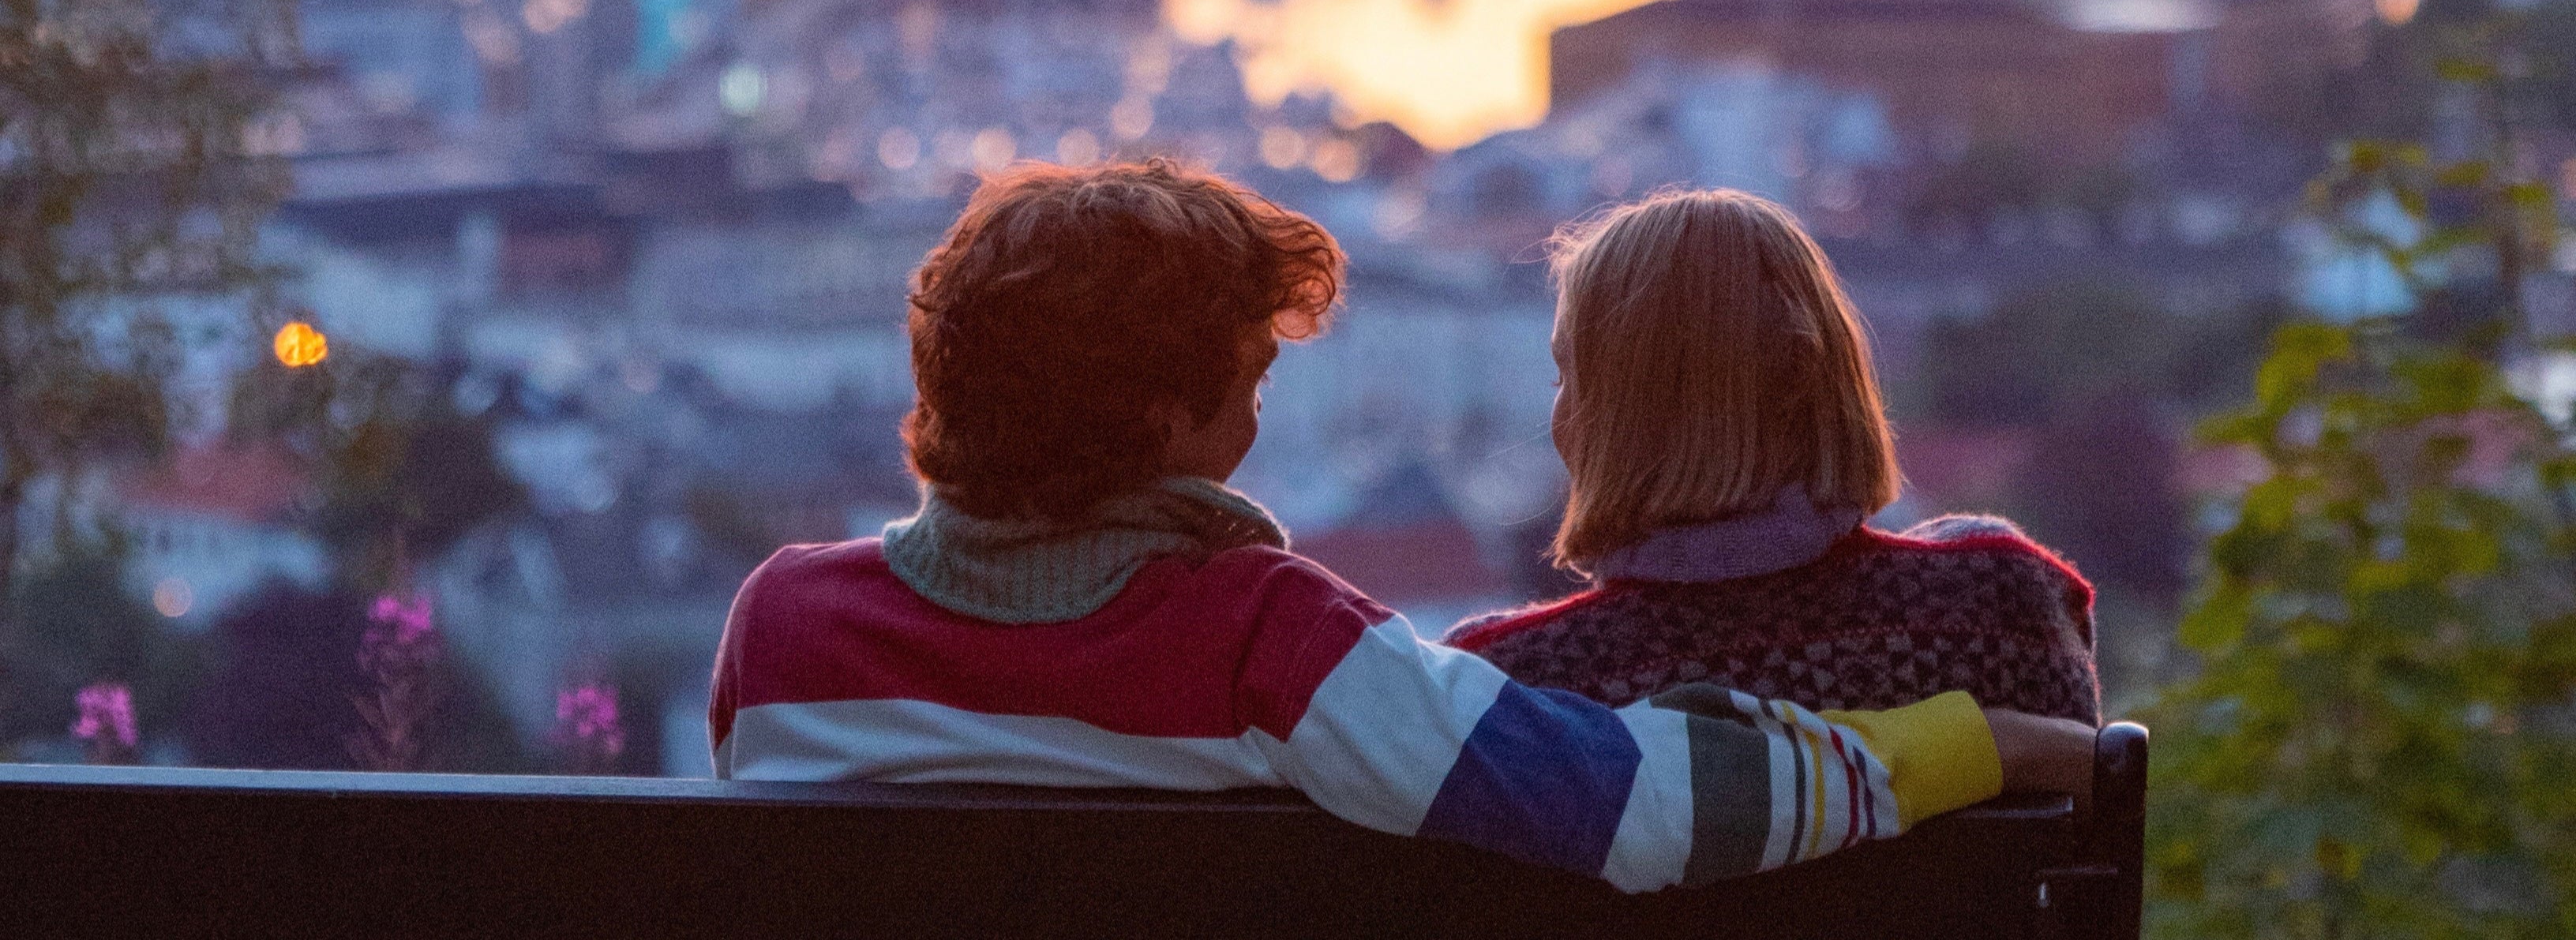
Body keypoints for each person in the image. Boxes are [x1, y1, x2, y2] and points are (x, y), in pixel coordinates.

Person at [710, 161, 2097, 894]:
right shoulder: (1271, 642)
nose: (1257, 426)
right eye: (1247, 386)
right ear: (1153, 422)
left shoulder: (780, 630)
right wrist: (1991, 743)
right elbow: (1655, 807)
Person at [1445, 189, 2101, 726]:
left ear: (1618, 418)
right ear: (1833, 376)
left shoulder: (1509, 688)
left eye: (1567, 378)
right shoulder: (1999, 606)